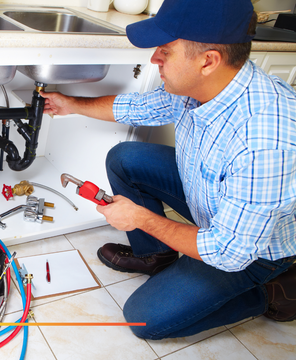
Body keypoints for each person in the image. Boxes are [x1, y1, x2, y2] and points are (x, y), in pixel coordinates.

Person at [41, 0, 296, 340]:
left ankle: (274, 293)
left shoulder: (266, 141)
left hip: (252, 252)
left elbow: (228, 251)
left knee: (143, 319)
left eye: (165, 50)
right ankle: (155, 256)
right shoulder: (201, 85)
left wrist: (141, 219)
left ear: (208, 61)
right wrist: (71, 105)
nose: (154, 59)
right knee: (125, 158)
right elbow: (140, 106)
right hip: (212, 202)